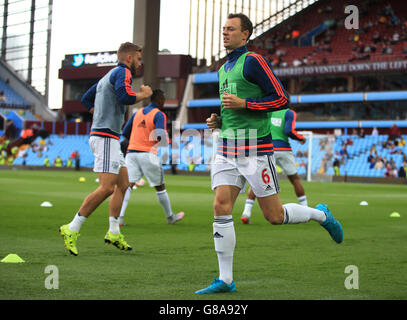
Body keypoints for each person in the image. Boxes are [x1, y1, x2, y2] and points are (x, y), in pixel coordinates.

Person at [195, 13, 343, 295]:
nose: (225, 33)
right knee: (220, 207)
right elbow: (231, 110)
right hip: (226, 147)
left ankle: (320, 215)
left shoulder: (253, 61)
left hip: (255, 149)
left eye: (231, 29)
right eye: (223, 28)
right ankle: (226, 280)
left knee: (274, 216)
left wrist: (245, 103)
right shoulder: (223, 69)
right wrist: (218, 120)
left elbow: (281, 98)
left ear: (246, 34)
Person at [59, 42, 152, 256]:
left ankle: (113, 231)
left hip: (106, 136)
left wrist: (99, 112)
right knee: (107, 187)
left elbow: (85, 99)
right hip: (106, 137)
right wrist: (143, 94)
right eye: (138, 59)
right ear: (129, 58)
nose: (139, 63)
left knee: (124, 183)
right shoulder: (124, 72)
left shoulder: (106, 76)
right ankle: (72, 227)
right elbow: (125, 97)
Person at [118, 89, 184, 226]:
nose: (164, 102)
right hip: (148, 154)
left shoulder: (138, 112)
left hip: (131, 153)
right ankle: (170, 217)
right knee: (160, 187)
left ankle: (120, 218)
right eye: (163, 99)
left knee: (128, 186)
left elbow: (124, 131)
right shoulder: (159, 114)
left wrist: (137, 140)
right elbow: (160, 137)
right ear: (159, 100)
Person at [240, 108, 308, 224]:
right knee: (295, 180)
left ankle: (246, 212)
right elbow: (288, 130)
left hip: (267, 148)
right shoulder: (289, 113)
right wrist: (301, 138)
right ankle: (306, 210)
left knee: (258, 180)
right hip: (284, 149)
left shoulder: (266, 110)